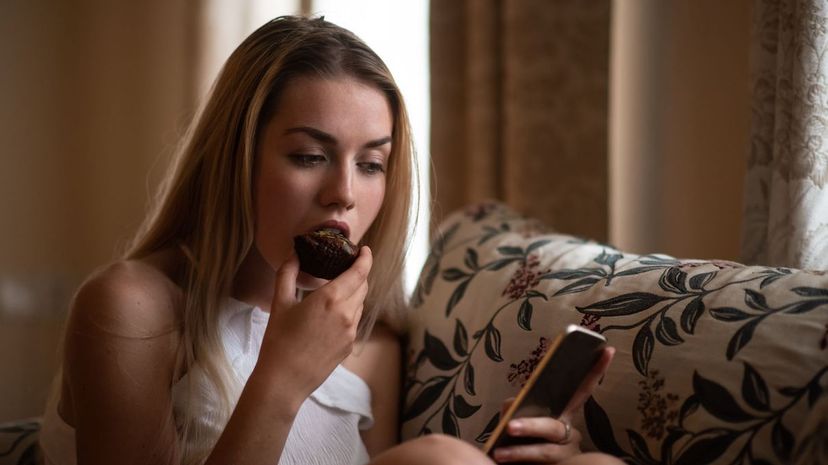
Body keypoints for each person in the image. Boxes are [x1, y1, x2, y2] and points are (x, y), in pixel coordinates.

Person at [39, 15, 624, 465]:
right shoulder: (133, 306)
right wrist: (282, 377)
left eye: (371, 164)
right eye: (309, 156)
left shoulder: (373, 342)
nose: (343, 192)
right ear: (234, 161)